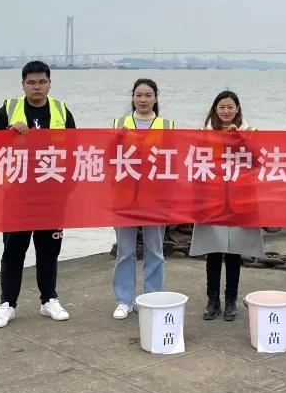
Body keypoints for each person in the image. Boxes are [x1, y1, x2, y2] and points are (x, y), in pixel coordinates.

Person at [0, 61, 77, 328]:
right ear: (23, 84)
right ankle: (7, 303)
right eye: (31, 82)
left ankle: (49, 299)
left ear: (49, 84)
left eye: (41, 82)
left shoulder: (61, 111)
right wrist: (8, 133)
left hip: (51, 194)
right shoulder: (8, 109)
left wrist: (67, 189)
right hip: (17, 195)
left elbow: (77, 150)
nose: (36, 87)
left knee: (48, 251)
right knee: (13, 250)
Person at [190, 91, 264, 321]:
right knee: (213, 252)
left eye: (230, 107)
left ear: (238, 109)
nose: (226, 111)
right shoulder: (205, 133)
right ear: (215, 109)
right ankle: (212, 300)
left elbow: (258, 161)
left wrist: (241, 139)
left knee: (233, 253)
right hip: (212, 200)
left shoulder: (250, 131)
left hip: (239, 201)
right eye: (221, 107)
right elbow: (194, 162)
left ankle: (231, 299)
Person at [110, 78, 175, 319]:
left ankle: (151, 298)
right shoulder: (119, 124)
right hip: (124, 197)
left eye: (148, 95)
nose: (143, 99)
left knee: (155, 251)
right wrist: (115, 140)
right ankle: (124, 300)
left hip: (155, 198)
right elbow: (107, 158)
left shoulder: (167, 125)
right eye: (139, 95)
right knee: (125, 251)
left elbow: (174, 161)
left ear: (156, 98)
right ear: (133, 97)